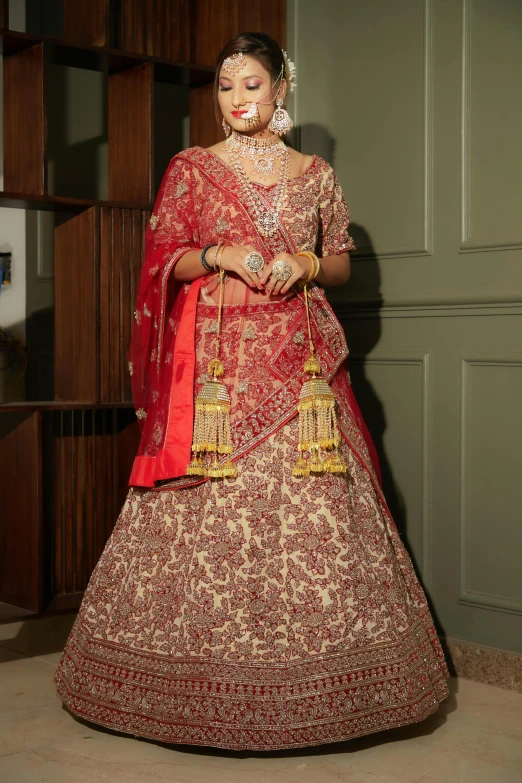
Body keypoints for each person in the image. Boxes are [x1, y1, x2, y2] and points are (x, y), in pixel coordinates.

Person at [54, 32, 450, 751]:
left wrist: (303, 260)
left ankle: (338, 692)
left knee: (322, 509)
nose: (239, 100)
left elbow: (341, 265)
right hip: (217, 377)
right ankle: (178, 692)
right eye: (227, 86)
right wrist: (219, 254)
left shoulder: (316, 173)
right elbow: (162, 259)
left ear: (281, 89)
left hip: (302, 376)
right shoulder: (193, 170)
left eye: (253, 85)